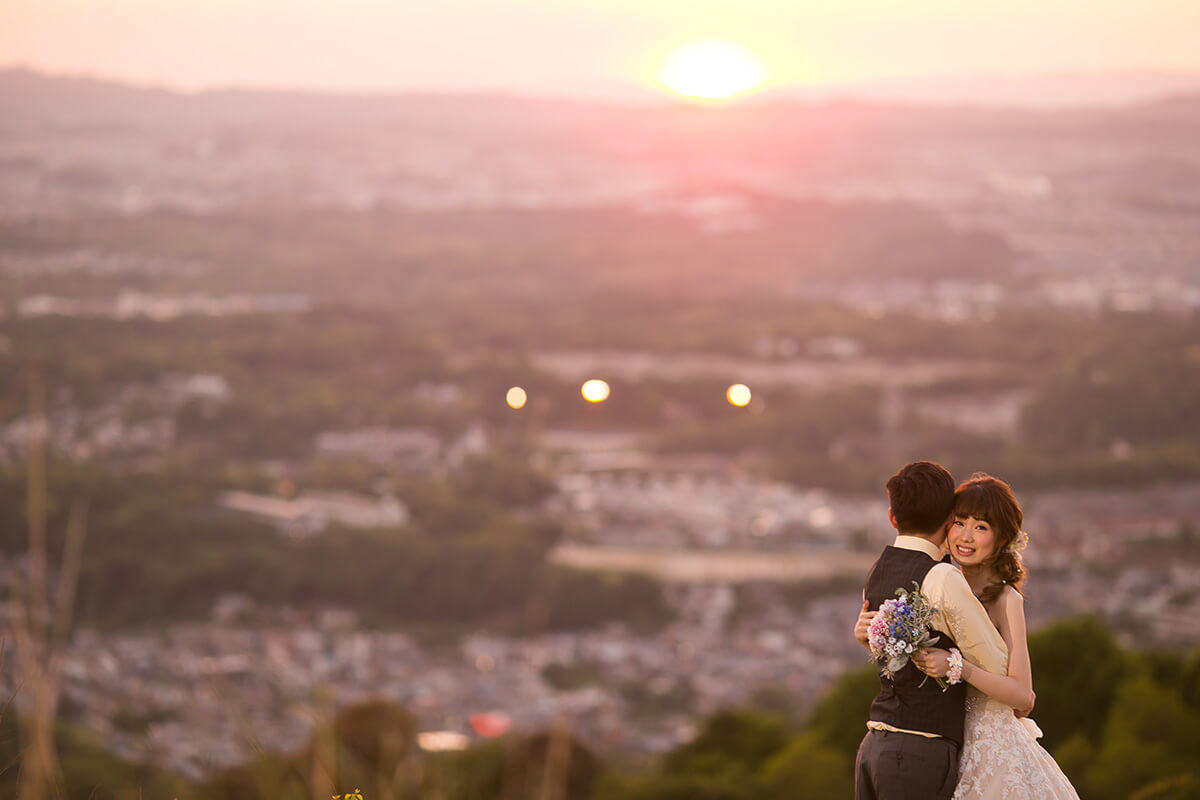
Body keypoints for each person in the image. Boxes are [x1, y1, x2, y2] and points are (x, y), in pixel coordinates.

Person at [908, 473, 1080, 799]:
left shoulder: (1007, 600)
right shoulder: (937, 585)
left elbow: (1023, 697)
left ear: (1001, 539)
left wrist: (958, 667)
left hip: (994, 751)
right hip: (946, 745)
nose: (966, 536)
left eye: (981, 527)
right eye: (959, 523)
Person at [853, 461, 1012, 800]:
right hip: (918, 752)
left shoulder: (877, 572)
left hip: (874, 748)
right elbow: (997, 664)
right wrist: (956, 663)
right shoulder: (942, 577)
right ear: (947, 519)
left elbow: (895, 657)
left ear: (892, 518)